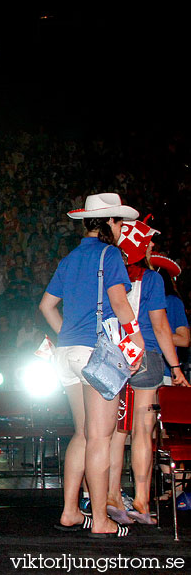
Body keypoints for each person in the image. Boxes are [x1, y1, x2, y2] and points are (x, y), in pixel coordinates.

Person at [39, 193, 145, 537]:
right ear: (111, 222)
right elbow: (118, 299)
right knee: (101, 437)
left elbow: (46, 306)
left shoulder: (69, 259)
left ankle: (70, 511)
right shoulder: (110, 253)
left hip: (67, 353)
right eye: (120, 223)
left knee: (83, 434)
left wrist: (68, 334)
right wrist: (135, 338)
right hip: (95, 354)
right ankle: (100, 519)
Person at [106, 222, 189, 525]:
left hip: (114, 356)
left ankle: (112, 494)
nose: (152, 250)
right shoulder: (153, 280)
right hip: (147, 357)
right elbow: (161, 327)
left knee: (115, 430)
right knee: (143, 430)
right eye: (150, 245)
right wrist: (176, 367)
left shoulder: (109, 276)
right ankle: (141, 500)